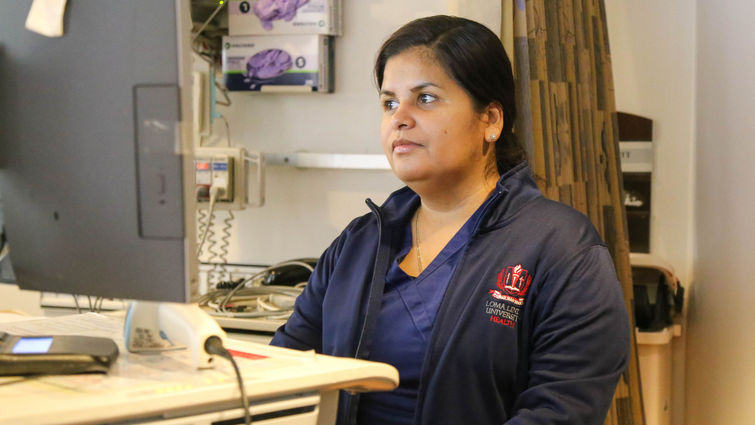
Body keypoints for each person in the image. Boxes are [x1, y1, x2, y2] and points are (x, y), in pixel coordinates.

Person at [271, 15, 630, 425]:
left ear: (491, 120)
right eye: (389, 102)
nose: (399, 118)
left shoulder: (561, 248)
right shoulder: (360, 242)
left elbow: (562, 410)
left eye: (425, 98)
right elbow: (284, 371)